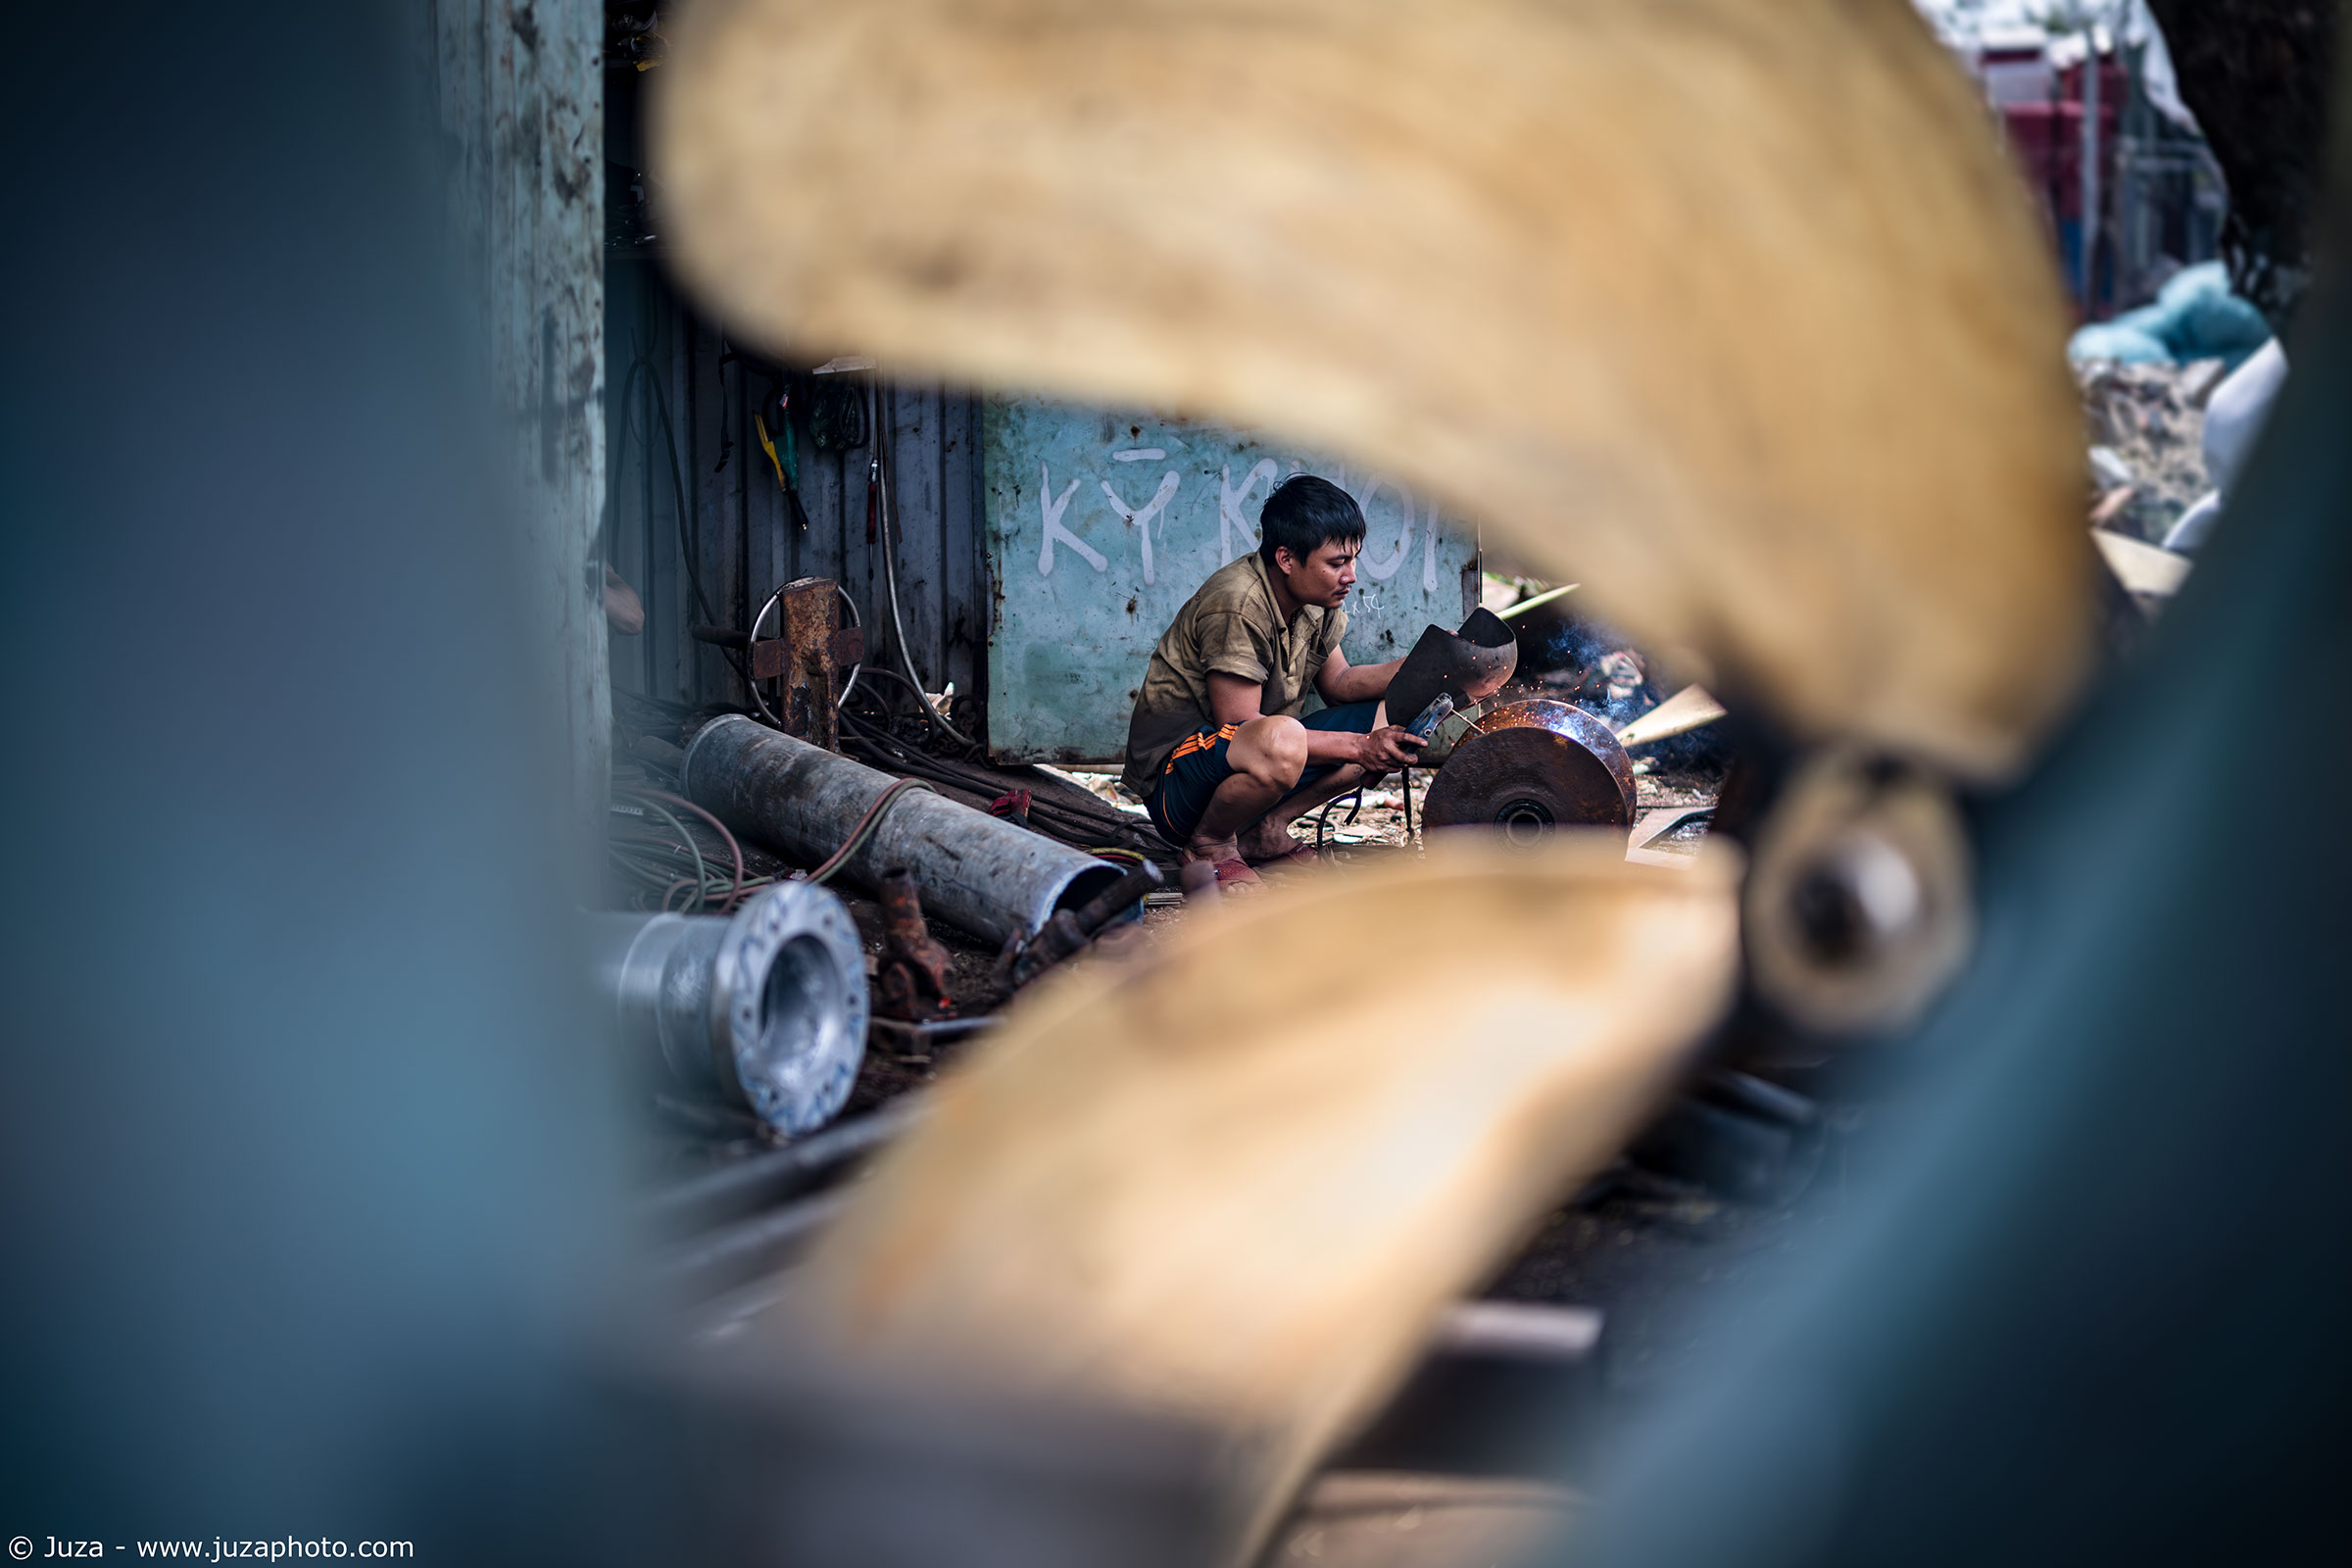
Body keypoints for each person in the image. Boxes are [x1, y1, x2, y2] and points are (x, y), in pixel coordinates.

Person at [1120, 474, 1422, 885]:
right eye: (1337, 563)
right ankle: (1210, 843)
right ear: (1286, 559)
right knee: (1283, 739)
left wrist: (1425, 668)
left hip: (1249, 763)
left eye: (1353, 560)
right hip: (1179, 787)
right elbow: (1241, 725)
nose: (1351, 575)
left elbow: (1340, 683)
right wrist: (1359, 748)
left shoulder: (1317, 600)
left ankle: (1266, 831)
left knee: (1390, 721)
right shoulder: (1239, 602)